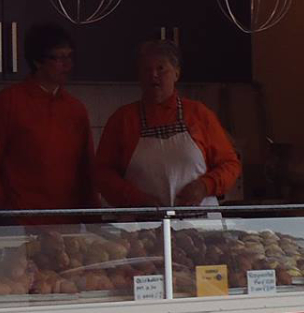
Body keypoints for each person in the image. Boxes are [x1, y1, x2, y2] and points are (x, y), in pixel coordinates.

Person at [95, 39, 241, 206]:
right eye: (146, 69)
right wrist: (134, 198)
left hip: (201, 226)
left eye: (161, 68)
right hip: (142, 226)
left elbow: (230, 164)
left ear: (177, 73)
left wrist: (204, 186)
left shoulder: (199, 114)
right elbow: (102, 174)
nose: (153, 75)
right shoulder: (122, 120)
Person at [0, 23, 92, 212]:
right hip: (22, 219)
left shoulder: (76, 109)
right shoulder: (7, 103)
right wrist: (2, 213)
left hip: (68, 221)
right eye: (59, 58)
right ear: (37, 62)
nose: (67, 65)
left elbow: (86, 167)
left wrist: (92, 217)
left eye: (69, 56)